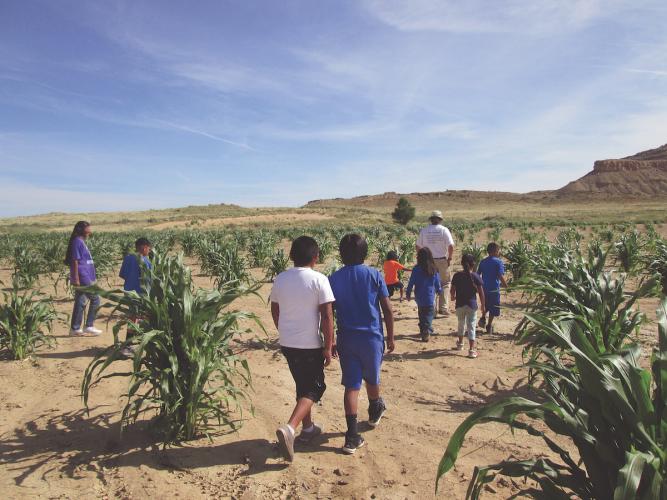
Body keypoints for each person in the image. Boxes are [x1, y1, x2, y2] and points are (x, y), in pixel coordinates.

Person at [270, 236, 335, 462]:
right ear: (316, 258)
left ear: (291, 256)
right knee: (315, 387)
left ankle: (308, 429)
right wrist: (328, 346)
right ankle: (291, 427)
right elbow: (327, 315)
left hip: (288, 343)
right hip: (309, 344)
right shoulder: (319, 279)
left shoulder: (281, 278)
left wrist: (283, 329)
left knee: (302, 384)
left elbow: (275, 309)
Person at [329, 234, 395, 455]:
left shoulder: (334, 278)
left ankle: (351, 436)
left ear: (341, 253)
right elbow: (386, 309)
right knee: (372, 377)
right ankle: (375, 407)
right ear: (365, 253)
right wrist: (392, 337)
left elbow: (329, 312)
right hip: (371, 337)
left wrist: (329, 340)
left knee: (352, 385)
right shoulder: (374, 274)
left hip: (346, 337)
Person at [63, 221, 101, 336]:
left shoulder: (81, 241)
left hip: (87, 275)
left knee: (80, 301)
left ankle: (75, 328)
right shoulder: (77, 242)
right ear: (82, 229)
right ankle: (89, 325)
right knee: (96, 299)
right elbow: (74, 261)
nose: (90, 228)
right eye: (88, 226)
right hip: (83, 276)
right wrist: (75, 278)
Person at [118, 237, 153, 357]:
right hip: (141, 294)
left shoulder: (128, 258)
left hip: (129, 293)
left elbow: (122, 274)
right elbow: (149, 281)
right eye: (149, 248)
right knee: (143, 318)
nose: (149, 251)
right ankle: (129, 345)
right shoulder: (146, 262)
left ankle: (130, 344)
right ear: (144, 247)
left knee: (133, 318)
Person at [416, 210, 454, 316]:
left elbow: (418, 246)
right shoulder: (444, 230)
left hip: (428, 261)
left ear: (431, 219)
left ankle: (432, 310)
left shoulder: (424, 230)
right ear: (440, 220)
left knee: (430, 283)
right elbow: (451, 246)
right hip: (442, 260)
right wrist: (449, 258)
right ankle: (443, 308)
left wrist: (422, 258)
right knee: (445, 283)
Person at [450, 254, 485, 359]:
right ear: (473, 264)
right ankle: (471, 350)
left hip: (460, 304)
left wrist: (453, 297)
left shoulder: (457, 275)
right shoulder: (475, 276)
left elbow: (452, 290)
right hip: (471, 305)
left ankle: (460, 344)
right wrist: (483, 305)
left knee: (461, 324)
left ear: (461, 263)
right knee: (471, 326)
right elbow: (481, 293)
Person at [406, 248, 442, 342]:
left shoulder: (416, 269)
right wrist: (439, 290)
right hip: (430, 297)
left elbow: (411, 282)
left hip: (419, 297)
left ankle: (424, 329)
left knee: (421, 314)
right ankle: (427, 329)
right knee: (429, 314)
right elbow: (437, 282)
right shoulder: (434, 268)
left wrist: (408, 292)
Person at [477, 242, 508, 335]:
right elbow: (500, 276)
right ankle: (489, 325)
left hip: (484, 288)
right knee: (493, 307)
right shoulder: (498, 262)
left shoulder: (483, 262)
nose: (499, 252)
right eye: (498, 251)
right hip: (494, 289)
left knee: (485, 304)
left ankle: (483, 317)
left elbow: (478, 274)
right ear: (495, 251)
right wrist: (506, 286)